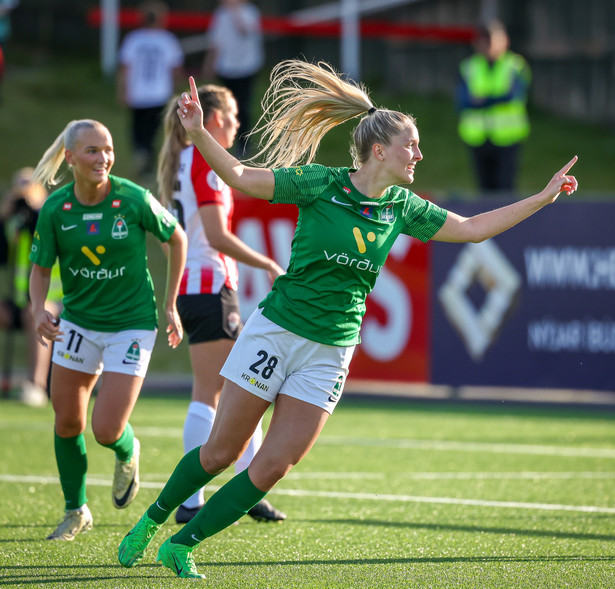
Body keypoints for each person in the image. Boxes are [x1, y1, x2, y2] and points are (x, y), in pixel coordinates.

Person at [118, 60, 577, 579]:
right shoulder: (320, 183)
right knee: (221, 451)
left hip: (331, 352)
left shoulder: (402, 206)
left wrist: (542, 198)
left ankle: (182, 546)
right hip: (278, 332)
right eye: (411, 145)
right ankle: (151, 521)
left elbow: (472, 229)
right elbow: (241, 176)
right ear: (379, 151)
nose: (419, 155)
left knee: (273, 465)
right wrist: (199, 133)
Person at [29, 119, 187, 541]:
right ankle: (75, 510)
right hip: (78, 323)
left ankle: (127, 450)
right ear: (70, 157)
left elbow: (177, 238)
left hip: (131, 325)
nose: (104, 158)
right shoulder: (55, 209)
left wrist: (170, 304)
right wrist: (38, 309)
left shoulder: (133, 198)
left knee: (106, 430)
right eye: (93, 150)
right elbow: (40, 269)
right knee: (67, 421)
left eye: (109, 149)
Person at [156, 84, 286, 524]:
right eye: (231, 115)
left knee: (236, 388)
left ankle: (242, 492)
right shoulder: (205, 161)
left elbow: (178, 237)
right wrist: (267, 262)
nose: (237, 122)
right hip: (210, 286)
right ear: (213, 119)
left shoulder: (181, 159)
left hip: (195, 287)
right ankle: (196, 501)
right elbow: (215, 235)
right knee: (223, 391)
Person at [0, 167, 62, 407]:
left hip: (53, 301)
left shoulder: (51, 217)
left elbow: (46, 234)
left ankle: (36, 386)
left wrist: (36, 208)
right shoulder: (14, 222)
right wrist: (4, 216)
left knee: (35, 314)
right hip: (18, 300)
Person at [456, 19, 531, 195]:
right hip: (477, 136)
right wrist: (494, 98)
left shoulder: (515, 65)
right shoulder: (469, 66)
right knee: (484, 189)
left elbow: (512, 96)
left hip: (508, 135)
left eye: (492, 40)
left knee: (505, 187)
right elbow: (462, 102)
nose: (488, 46)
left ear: (505, 41)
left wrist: (481, 101)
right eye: (484, 41)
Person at [117, 0, 185, 178]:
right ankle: (148, 161)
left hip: (137, 94)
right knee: (154, 131)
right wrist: (176, 90)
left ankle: (142, 153)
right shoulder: (167, 40)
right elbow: (175, 69)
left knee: (138, 130)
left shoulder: (133, 39)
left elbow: (125, 68)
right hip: (159, 93)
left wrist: (123, 90)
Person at [202, 0, 264, 158]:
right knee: (224, 106)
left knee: (242, 108)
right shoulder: (221, 14)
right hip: (226, 69)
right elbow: (216, 42)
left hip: (245, 68)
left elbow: (245, 31)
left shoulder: (250, 12)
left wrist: (235, 12)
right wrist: (209, 64)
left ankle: (243, 144)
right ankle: (224, 139)